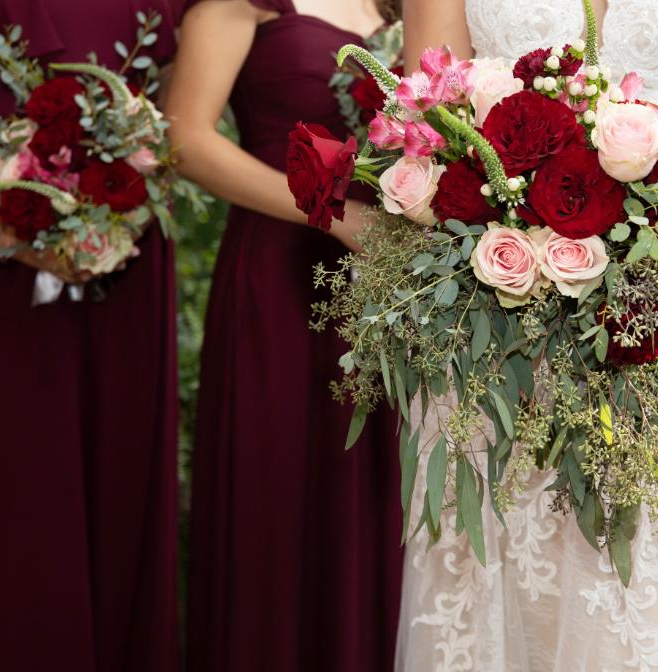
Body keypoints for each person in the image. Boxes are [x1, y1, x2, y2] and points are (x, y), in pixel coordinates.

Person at [395, 1, 658, 669]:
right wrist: (517, 244)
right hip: (484, 298)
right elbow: (432, 118)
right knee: (486, 544)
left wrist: (642, 276)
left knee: (635, 555)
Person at [165, 1, 403, 669]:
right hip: (281, 279)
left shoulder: (401, 6)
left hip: (392, 286)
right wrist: (334, 217)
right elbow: (185, 137)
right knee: (281, 501)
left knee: (373, 507)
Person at [0, 1, 181, 670]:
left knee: (114, 486)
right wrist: (3, 219)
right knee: (15, 489)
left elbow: (176, 114)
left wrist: (116, 214)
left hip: (122, 257)